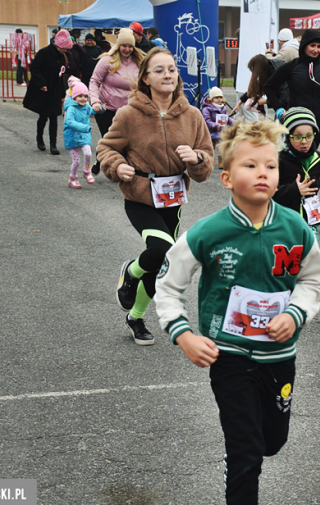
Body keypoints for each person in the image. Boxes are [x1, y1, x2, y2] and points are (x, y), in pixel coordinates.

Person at [154, 119, 320, 505]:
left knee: (271, 441)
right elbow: (169, 285)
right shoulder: (208, 232)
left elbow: (313, 279)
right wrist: (183, 334)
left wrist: (296, 314)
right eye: (250, 166)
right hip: (228, 357)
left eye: (270, 166)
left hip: (278, 357)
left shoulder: (295, 227)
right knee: (245, 449)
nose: (262, 173)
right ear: (228, 179)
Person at [97, 47, 213, 345]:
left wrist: (196, 157)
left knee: (162, 260)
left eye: (172, 69)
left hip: (172, 200)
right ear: (145, 78)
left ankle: (135, 318)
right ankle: (131, 270)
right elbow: (105, 148)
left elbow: (206, 165)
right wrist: (117, 165)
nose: (167, 75)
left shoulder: (192, 116)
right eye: (159, 70)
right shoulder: (128, 115)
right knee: (161, 249)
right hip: (139, 197)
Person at [265, 30, 320, 149]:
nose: (316, 50)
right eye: (312, 45)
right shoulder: (292, 66)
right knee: (293, 159)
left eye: (319, 46)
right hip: (295, 120)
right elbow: (269, 86)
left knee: (311, 156)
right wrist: (279, 109)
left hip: (317, 121)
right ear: (304, 46)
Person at [273, 107, 320, 233]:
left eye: (309, 136)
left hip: (311, 219)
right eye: (297, 137)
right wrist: (295, 190)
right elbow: (270, 192)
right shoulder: (278, 160)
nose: (304, 142)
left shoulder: (318, 158)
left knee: (311, 249)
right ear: (288, 136)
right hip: (285, 219)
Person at [89, 28, 144, 174]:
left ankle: (110, 163)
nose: (127, 49)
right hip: (107, 108)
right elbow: (94, 81)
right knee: (110, 140)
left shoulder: (138, 62)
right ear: (119, 45)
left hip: (128, 110)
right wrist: (94, 101)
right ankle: (107, 163)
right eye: (124, 46)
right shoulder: (107, 60)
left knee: (126, 141)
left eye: (130, 46)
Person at [24, 29, 73, 155]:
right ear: (59, 45)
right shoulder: (44, 53)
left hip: (55, 89)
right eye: (65, 48)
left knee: (54, 117)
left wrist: (62, 93)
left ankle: (53, 144)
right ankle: (39, 138)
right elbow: (34, 68)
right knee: (43, 116)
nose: (66, 51)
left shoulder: (62, 57)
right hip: (44, 89)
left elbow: (60, 75)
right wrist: (42, 83)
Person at [64, 77, 102, 189]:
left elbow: (91, 110)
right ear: (74, 96)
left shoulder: (86, 106)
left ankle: (87, 171)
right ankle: (73, 178)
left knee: (88, 154)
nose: (83, 99)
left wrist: (101, 109)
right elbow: (69, 122)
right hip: (72, 137)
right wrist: (85, 128)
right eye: (80, 96)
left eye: (86, 97)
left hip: (84, 137)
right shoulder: (71, 108)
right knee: (76, 161)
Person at [201, 86, 234, 164]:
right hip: (210, 133)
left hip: (220, 133)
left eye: (220, 97)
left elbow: (227, 118)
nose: (219, 99)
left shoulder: (223, 108)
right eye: (216, 98)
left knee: (221, 148)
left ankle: (221, 162)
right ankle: (208, 161)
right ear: (211, 99)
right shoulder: (207, 109)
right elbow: (207, 120)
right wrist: (215, 125)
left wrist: (234, 123)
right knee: (209, 148)